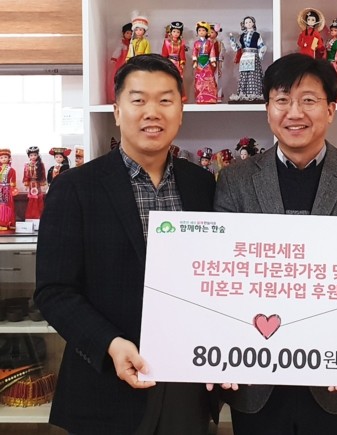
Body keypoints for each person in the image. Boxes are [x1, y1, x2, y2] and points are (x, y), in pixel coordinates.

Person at [34, 54, 217, 435]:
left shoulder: (202, 184)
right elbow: (54, 292)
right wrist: (110, 344)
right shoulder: (75, 188)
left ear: (181, 111)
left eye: (165, 100)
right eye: (138, 100)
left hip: (187, 386)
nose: (152, 112)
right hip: (104, 385)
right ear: (117, 112)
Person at [214, 52, 337, 435]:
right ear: (268, 110)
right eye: (282, 100)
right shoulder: (236, 180)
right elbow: (222, 278)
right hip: (255, 377)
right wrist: (222, 348)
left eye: (308, 100)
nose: (294, 112)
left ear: (331, 110)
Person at [229, 16, 266, 102]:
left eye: (250, 22)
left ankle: (255, 94)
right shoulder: (242, 36)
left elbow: (261, 45)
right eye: (246, 22)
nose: (248, 24)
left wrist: (260, 54)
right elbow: (238, 48)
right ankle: (244, 93)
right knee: (244, 75)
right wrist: (232, 40)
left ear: (253, 23)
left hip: (254, 56)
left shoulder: (257, 35)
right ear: (244, 25)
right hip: (245, 57)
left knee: (254, 75)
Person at [192, 21, 218, 104]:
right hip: (199, 62)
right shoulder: (196, 43)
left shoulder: (209, 42)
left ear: (207, 32)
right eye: (199, 30)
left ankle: (210, 97)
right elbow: (194, 52)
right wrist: (195, 61)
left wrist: (213, 61)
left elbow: (212, 51)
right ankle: (200, 97)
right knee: (199, 79)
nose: (201, 32)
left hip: (207, 62)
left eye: (203, 30)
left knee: (209, 78)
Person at [161, 21, 187, 102]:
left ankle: (180, 96)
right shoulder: (166, 42)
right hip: (169, 63)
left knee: (178, 79)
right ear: (171, 32)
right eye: (174, 31)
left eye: (178, 32)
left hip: (177, 64)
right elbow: (164, 54)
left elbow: (182, 54)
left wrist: (182, 63)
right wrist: (163, 63)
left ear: (180, 33)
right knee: (168, 78)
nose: (176, 33)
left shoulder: (181, 43)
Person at [107, 22, 132, 103]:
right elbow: (117, 51)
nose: (129, 35)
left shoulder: (133, 43)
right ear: (123, 33)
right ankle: (116, 96)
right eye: (127, 33)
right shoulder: (122, 43)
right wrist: (114, 58)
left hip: (130, 62)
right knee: (120, 77)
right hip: (122, 62)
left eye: (131, 33)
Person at [22, 146, 46, 219]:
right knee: (31, 199)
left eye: (35, 155)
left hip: (37, 184)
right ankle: (31, 216)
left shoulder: (40, 164)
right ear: (29, 156)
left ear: (37, 155)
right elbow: (25, 175)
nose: (33, 157)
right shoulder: (27, 165)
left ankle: (39, 216)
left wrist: (42, 184)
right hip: (31, 184)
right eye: (31, 155)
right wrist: (26, 184)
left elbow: (43, 174)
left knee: (38, 198)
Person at [0, 148, 17, 231]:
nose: (3, 159)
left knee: (8, 206)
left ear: (9, 158)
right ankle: (1, 223)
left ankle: (9, 222)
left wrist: (12, 187)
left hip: (7, 190)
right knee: (1, 206)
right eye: (1, 158)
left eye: (5, 157)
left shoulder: (11, 170)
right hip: (0, 190)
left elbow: (13, 182)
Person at [209, 23, 226, 102]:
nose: (210, 34)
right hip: (207, 63)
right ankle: (209, 95)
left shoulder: (219, 43)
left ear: (216, 33)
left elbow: (221, 54)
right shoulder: (206, 42)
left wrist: (219, 65)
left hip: (216, 62)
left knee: (217, 79)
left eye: (212, 32)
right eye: (209, 32)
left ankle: (217, 96)